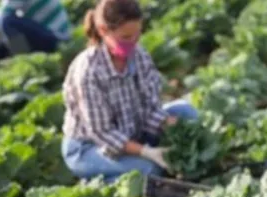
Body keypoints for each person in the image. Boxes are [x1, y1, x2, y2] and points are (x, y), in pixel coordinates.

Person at [60, 0, 199, 183]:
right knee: (149, 170)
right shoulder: (89, 71)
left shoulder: (139, 56)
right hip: (91, 148)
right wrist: (146, 152)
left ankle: (127, 166)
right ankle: (95, 183)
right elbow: (103, 133)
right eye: (126, 37)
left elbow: (151, 107)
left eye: (137, 35)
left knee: (185, 113)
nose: (133, 42)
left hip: (133, 131)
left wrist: (168, 122)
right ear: (103, 31)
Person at [0, 0, 72, 60]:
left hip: (55, 38)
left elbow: (1, 17)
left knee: (7, 21)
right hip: (48, 33)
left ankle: (22, 59)